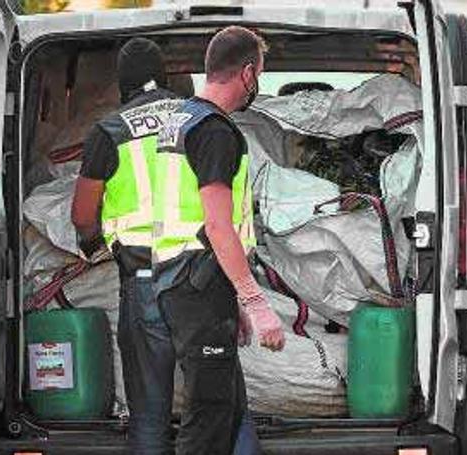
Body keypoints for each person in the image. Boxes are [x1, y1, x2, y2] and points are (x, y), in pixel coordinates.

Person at [153, 26, 285, 455]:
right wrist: (254, 300)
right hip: (198, 285)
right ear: (248, 73)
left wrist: (230, 298)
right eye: (260, 72)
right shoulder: (214, 131)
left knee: (226, 410)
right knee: (209, 420)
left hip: (182, 280)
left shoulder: (179, 121)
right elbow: (217, 225)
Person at [71, 37, 183, 454]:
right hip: (205, 278)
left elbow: (83, 214)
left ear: (123, 84)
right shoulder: (202, 120)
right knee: (223, 406)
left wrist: (94, 246)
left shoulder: (110, 130)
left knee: (150, 411)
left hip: (145, 279)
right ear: (166, 77)